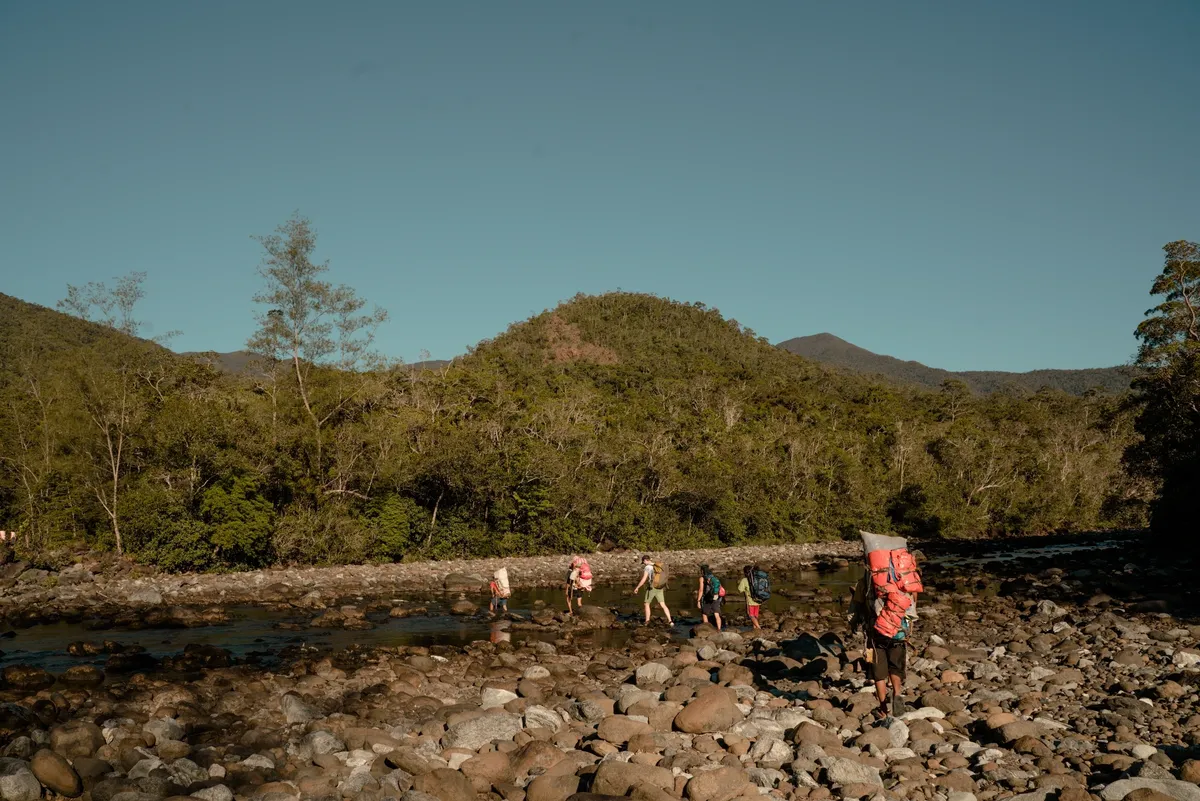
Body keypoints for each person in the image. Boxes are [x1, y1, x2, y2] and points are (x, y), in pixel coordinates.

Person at [850, 570, 908, 719]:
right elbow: (910, 605)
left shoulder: (864, 582)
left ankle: (883, 708)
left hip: (874, 635)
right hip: (898, 633)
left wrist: (853, 623)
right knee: (895, 667)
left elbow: (855, 606)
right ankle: (897, 693)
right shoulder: (901, 580)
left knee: (878, 673)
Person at [632, 554, 673, 626]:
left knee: (646, 603)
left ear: (645, 560)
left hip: (652, 587)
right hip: (660, 586)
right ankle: (670, 621)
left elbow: (644, 579)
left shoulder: (647, 567)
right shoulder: (656, 565)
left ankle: (647, 621)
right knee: (663, 604)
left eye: (643, 562)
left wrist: (637, 587)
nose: (643, 564)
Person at [696, 564, 723, 631]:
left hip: (707, 598)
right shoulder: (714, 577)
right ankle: (719, 629)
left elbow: (701, 590)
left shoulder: (702, 578)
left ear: (702, 571)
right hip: (716, 596)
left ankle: (707, 629)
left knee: (705, 614)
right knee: (717, 614)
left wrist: (698, 601)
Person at [737, 565, 762, 631]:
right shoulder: (757, 579)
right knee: (755, 615)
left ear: (745, 572)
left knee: (751, 615)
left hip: (750, 601)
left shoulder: (745, 580)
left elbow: (740, 590)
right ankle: (755, 628)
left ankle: (759, 628)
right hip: (758, 600)